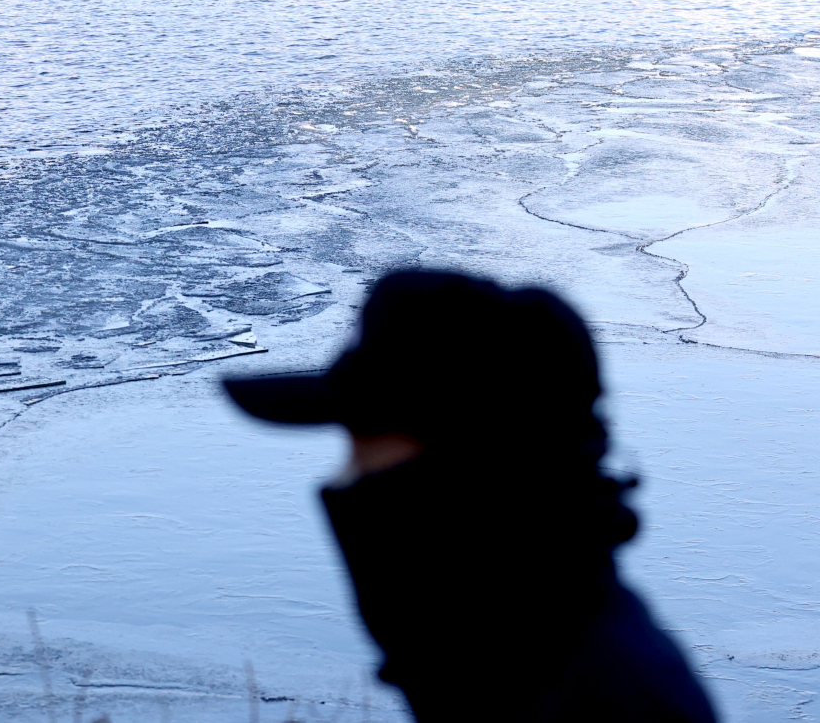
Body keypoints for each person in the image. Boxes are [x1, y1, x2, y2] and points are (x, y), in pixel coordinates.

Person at [223, 270, 717, 722]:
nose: (345, 486)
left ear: (467, 479)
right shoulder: (504, 663)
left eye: (367, 456)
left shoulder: (592, 697)